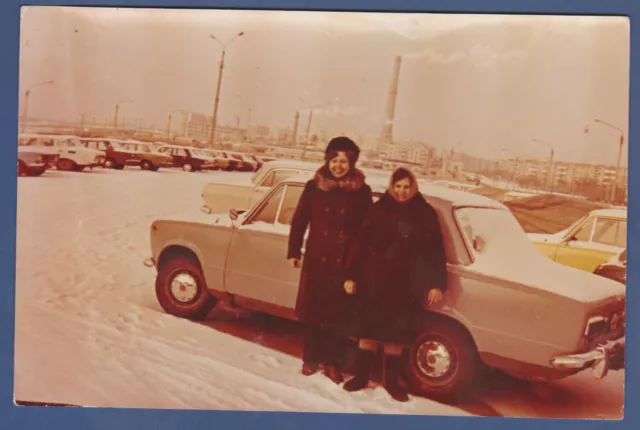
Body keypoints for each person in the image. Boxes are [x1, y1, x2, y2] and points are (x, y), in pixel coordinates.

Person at [342, 167, 447, 401]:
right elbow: (360, 243)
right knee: (367, 333)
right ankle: (360, 376)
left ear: (413, 187)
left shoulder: (425, 213)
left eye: (406, 186)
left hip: (406, 284)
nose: (401, 191)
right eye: (397, 186)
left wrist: (437, 284)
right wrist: (350, 275)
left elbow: (435, 251)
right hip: (373, 280)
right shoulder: (378, 209)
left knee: (396, 336)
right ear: (391, 186)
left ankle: (391, 382)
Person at [288, 136, 373, 384]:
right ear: (328, 161)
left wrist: (359, 266)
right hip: (317, 259)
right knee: (314, 312)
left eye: (344, 161)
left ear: (352, 163)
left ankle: (333, 363)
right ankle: (310, 358)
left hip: (346, 263)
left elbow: (366, 231)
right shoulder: (313, 187)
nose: (338, 166)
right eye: (334, 160)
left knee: (339, 317)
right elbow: (300, 220)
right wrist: (294, 250)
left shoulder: (362, 191)